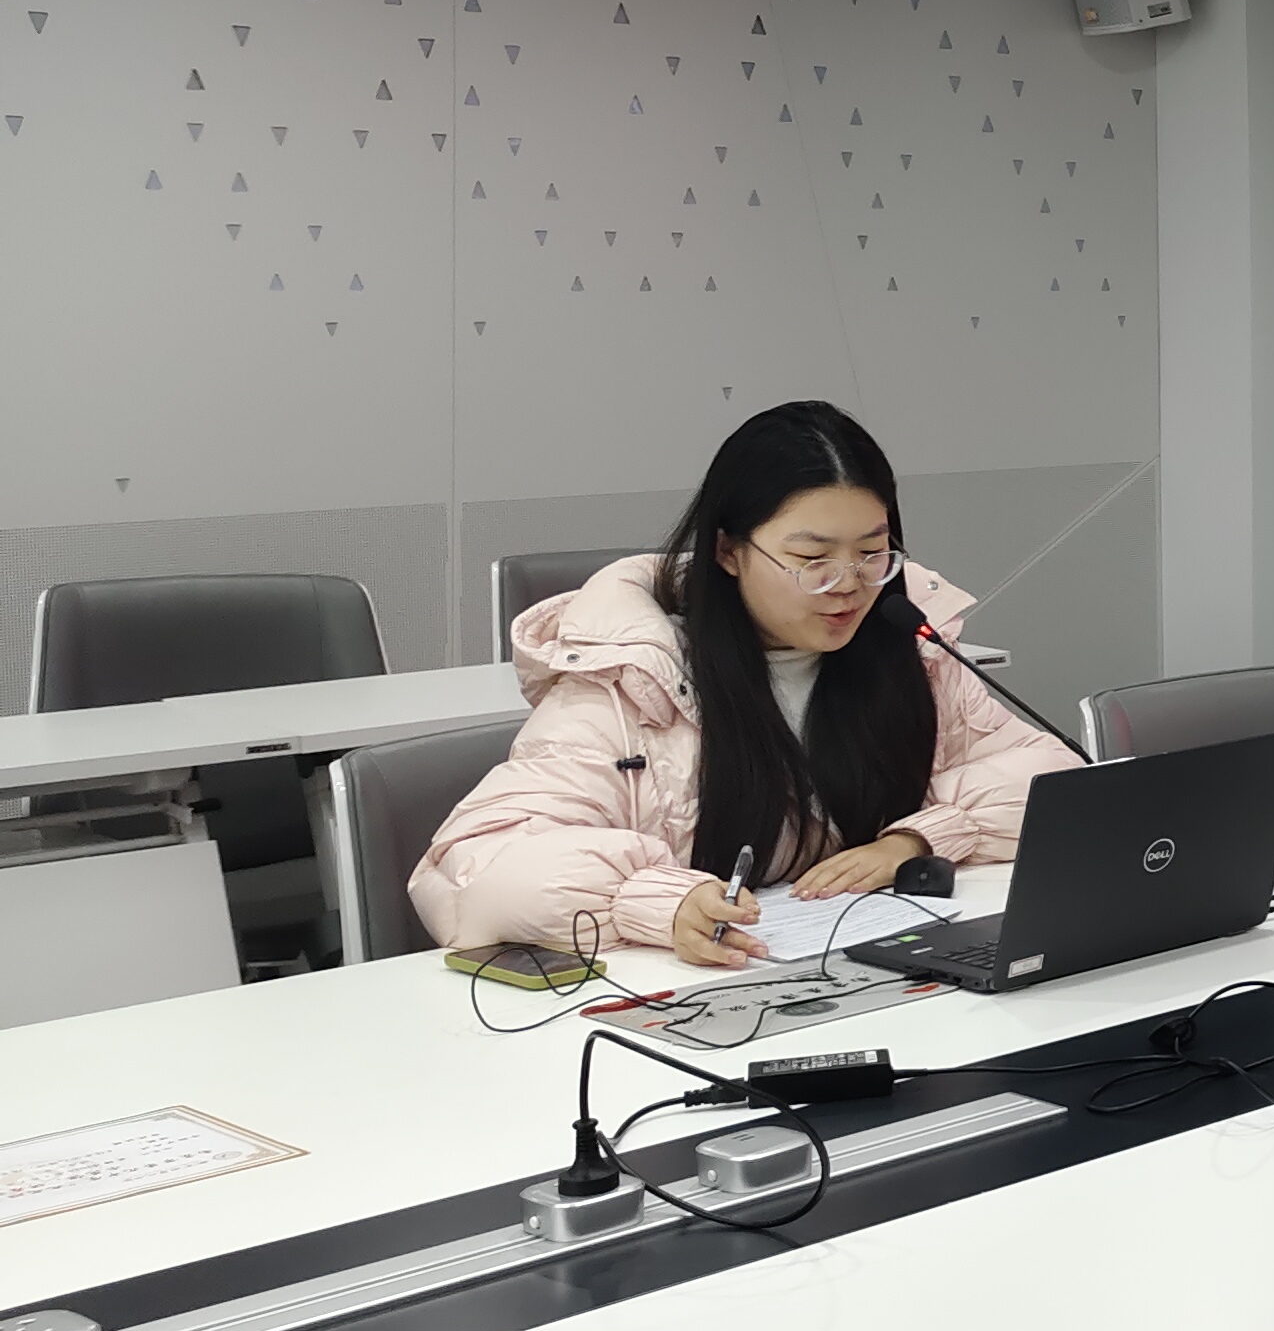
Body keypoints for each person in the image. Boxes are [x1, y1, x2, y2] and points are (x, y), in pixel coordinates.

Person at [409, 401, 1081, 966]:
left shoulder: (911, 657)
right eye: (812, 559)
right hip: (693, 997)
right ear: (729, 551)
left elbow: (1057, 782)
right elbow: (473, 867)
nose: (848, 585)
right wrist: (654, 901)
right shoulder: (631, 684)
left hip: (867, 975)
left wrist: (916, 840)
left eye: (872, 554)